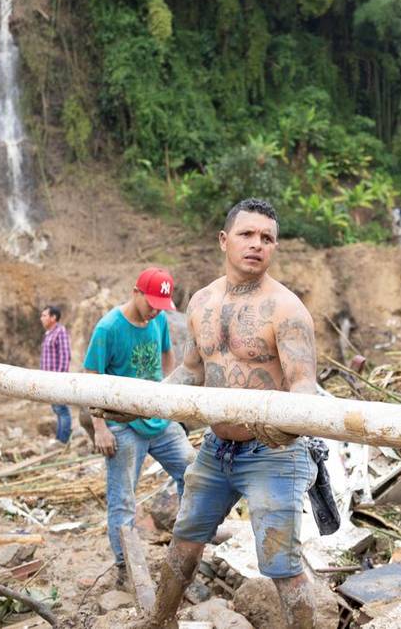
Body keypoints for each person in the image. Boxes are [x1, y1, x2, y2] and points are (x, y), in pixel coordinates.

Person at [116, 198, 320, 628]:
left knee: (281, 563)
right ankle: (159, 621)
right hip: (216, 450)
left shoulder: (288, 309)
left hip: (273, 453)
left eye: (267, 238)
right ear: (224, 240)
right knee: (185, 543)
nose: (257, 244)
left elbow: (303, 385)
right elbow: (190, 371)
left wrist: (290, 425)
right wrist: (139, 399)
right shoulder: (202, 303)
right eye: (247, 234)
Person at [83, 267, 195, 578]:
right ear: (136, 293)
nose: (154, 313)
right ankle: (125, 567)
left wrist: (168, 397)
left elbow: (167, 354)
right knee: (123, 497)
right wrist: (100, 428)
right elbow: (91, 377)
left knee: (193, 469)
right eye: (150, 305)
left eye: (160, 307)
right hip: (121, 423)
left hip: (157, 419)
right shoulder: (108, 329)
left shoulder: (158, 319)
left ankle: (189, 545)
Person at [40, 305, 72, 443]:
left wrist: (59, 378)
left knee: (62, 409)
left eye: (44, 315)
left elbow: (65, 356)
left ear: (53, 318)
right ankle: (60, 438)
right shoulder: (49, 334)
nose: (42, 318)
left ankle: (62, 440)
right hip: (48, 380)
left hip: (56, 380)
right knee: (57, 409)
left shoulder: (60, 332)